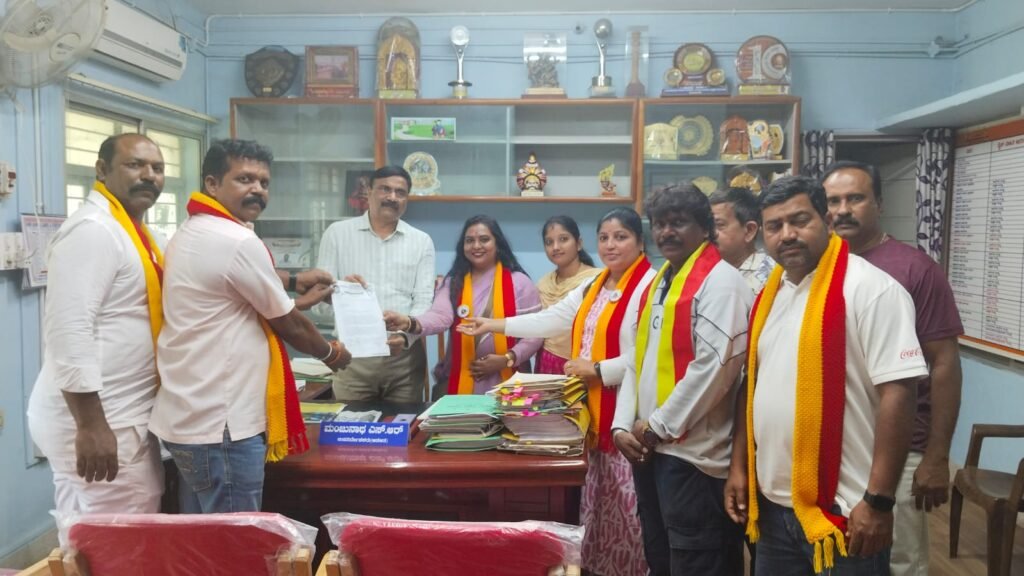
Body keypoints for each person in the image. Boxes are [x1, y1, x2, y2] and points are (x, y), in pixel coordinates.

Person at [724, 175, 928, 576]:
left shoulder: (871, 290)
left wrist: (879, 501)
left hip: (847, 511)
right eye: (774, 226)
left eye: (800, 220)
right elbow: (753, 386)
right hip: (773, 508)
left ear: (827, 220)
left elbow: (899, 394)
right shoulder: (770, 295)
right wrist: (739, 467)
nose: (787, 234)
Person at [150, 139, 351, 514]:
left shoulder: (192, 229)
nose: (257, 189)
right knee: (234, 538)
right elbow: (288, 322)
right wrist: (331, 353)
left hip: (189, 416)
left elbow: (234, 289)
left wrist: (293, 281)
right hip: (223, 425)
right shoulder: (237, 240)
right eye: (244, 179)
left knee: (201, 532)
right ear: (212, 183)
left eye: (264, 182)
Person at [460, 207, 655, 576]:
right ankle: (598, 568)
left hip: (627, 409)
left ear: (640, 241)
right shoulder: (596, 284)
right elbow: (552, 319)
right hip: (593, 404)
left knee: (628, 503)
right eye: (604, 238)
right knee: (599, 495)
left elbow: (648, 353)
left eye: (621, 237)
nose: (611, 245)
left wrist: (598, 369)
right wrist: (493, 323)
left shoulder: (650, 285)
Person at [823, 161, 963, 576]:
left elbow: (944, 363)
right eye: (833, 200)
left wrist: (936, 456)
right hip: (833, 446)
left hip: (900, 447)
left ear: (879, 204)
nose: (843, 210)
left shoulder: (914, 269)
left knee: (899, 560)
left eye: (855, 198)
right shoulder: (817, 268)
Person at [612, 183, 753, 576]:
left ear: (705, 228)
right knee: (661, 559)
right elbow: (636, 360)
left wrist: (656, 426)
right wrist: (621, 425)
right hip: (652, 451)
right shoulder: (659, 282)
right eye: (659, 223)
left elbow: (714, 367)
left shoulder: (721, 282)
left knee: (698, 562)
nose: (666, 232)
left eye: (678, 222)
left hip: (695, 458)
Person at [27, 134, 168, 518]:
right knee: (123, 533)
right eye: (135, 165)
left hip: (118, 414)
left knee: (86, 528)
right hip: (101, 417)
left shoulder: (136, 233)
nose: (149, 176)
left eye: (157, 168)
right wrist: (91, 425)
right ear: (102, 170)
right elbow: (69, 329)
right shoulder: (94, 230)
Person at [384, 215, 542, 397]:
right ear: (463, 246)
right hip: (461, 380)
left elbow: (535, 332)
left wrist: (507, 358)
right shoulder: (453, 283)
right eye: (469, 241)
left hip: (510, 379)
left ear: (497, 244)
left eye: (484, 239)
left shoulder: (520, 283)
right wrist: (409, 322)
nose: (476, 246)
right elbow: (440, 317)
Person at [318, 165, 435, 403]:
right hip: (352, 360)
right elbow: (319, 302)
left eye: (400, 192)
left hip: (403, 359)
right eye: (385, 189)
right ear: (368, 192)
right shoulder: (337, 234)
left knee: (403, 425)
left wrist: (405, 337)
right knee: (350, 424)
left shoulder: (421, 241)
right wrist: (340, 292)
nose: (392, 197)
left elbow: (424, 301)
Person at [533, 215, 600, 375]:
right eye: (549, 242)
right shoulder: (543, 284)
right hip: (545, 361)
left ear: (579, 243)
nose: (556, 247)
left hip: (582, 364)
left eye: (563, 239)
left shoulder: (596, 280)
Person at [709, 186, 776, 294]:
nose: (708, 233)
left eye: (719, 225)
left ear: (749, 230)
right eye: (707, 225)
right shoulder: (705, 269)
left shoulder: (771, 275)